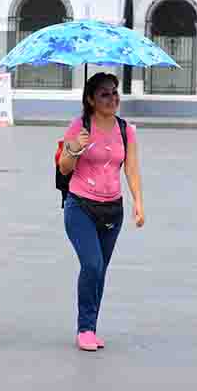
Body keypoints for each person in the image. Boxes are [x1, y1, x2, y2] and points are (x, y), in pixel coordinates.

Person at [58, 72, 145, 351]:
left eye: (115, 92)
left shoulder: (125, 129)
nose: (112, 98)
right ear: (90, 99)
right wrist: (75, 148)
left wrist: (138, 203)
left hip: (112, 210)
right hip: (80, 206)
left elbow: (131, 167)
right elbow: (64, 168)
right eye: (104, 94)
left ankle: (92, 327)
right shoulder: (79, 126)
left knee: (100, 271)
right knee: (92, 265)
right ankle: (84, 328)